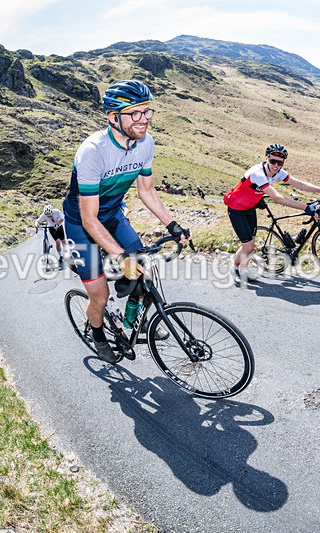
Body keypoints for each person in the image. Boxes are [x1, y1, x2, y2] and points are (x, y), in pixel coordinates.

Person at [63, 79, 190, 363]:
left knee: (144, 269)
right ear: (113, 117)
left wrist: (172, 225)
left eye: (146, 111)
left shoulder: (146, 144)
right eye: (135, 113)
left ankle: (135, 320)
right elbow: (88, 218)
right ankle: (98, 335)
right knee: (100, 296)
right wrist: (120, 257)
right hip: (80, 224)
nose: (144, 119)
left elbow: (146, 190)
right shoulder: (93, 151)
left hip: (112, 215)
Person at [223, 143, 320, 284]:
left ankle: (243, 270)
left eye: (280, 163)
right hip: (236, 209)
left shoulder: (278, 172)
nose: (276, 166)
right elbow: (277, 198)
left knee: (250, 244)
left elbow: (299, 184)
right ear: (267, 158)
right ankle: (235, 268)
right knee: (248, 246)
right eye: (273, 161)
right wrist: (305, 207)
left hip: (250, 207)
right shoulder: (257, 173)